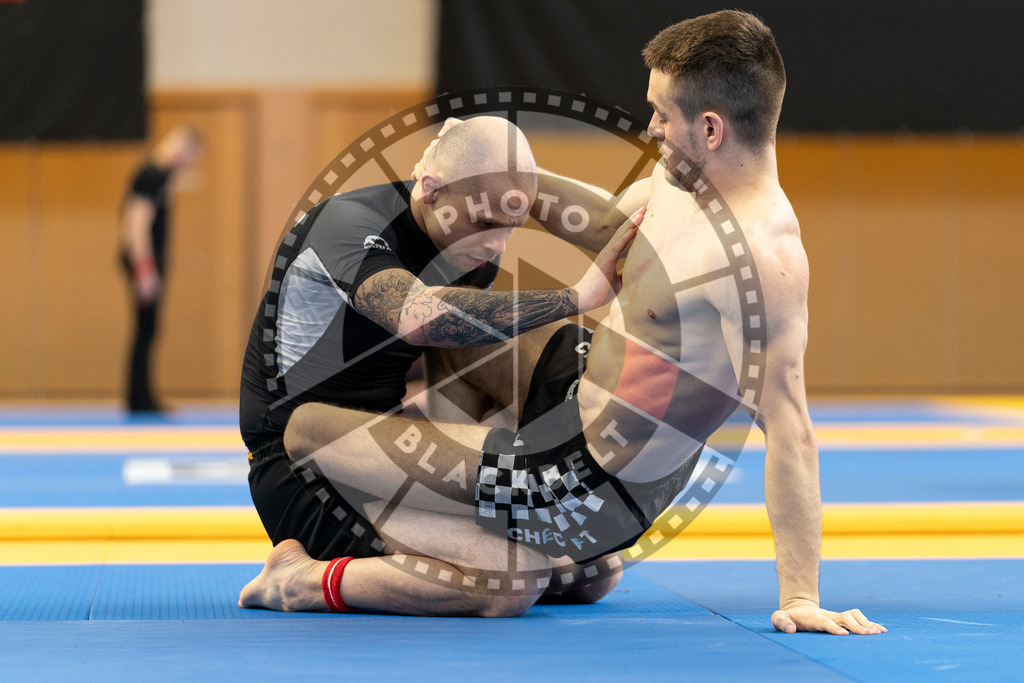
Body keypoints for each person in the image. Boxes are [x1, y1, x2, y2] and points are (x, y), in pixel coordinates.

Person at [239, 11, 886, 636]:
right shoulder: (671, 185)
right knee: (523, 568)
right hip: (487, 437)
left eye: (662, 114)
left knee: (558, 575)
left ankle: (361, 551)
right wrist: (496, 193)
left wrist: (800, 593)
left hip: (583, 475)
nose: (651, 128)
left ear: (711, 129)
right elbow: (544, 229)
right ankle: (349, 551)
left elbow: (791, 425)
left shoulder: (759, 259)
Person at [239, 116, 639, 568]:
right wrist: (575, 297)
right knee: (510, 580)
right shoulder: (347, 223)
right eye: (485, 222)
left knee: (593, 572)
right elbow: (416, 317)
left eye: (513, 225)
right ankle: (296, 580)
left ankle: (494, 482)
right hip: (301, 462)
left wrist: (502, 162)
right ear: (431, 188)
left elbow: (610, 223)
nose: (497, 245)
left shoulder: (468, 250)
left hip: (381, 446)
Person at [120, 126, 204, 413]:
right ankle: (139, 398)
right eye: (190, 159)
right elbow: (136, 224)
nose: (188, 167)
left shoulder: (158, 175)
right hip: (146, 262)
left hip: (148, 262)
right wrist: (144, 267)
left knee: (149, 328)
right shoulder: (150, 176)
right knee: (146, 328)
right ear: (183, 149)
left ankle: (140, 395)